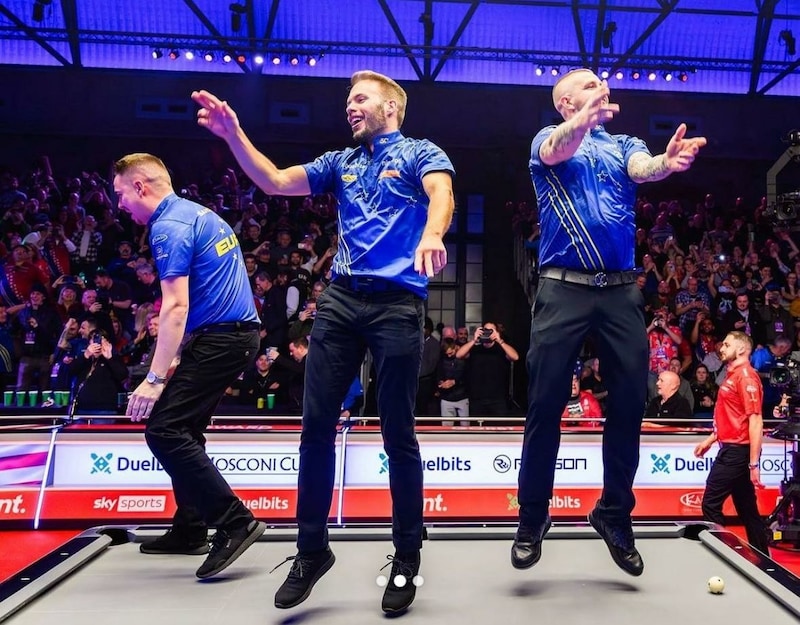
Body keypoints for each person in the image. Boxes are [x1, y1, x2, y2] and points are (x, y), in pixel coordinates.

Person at [192, 70, 454, 614]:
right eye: (348, 100)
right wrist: (233, 134)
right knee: (315, 430)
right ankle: (311, 550)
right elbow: (274, 181)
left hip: (397, 305)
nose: (350, 107)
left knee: (397, 435)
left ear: (392, 109)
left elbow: (441, 192)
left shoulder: (419, 151)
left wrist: (432, 233)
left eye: (360, 99)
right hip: (339, 301)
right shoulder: (342, 162)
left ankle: (406, 557)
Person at [513, 68, 706, 577]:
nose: (601, 85)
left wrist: (669, 161)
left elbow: (644, 168)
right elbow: (556, 148)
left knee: (628, 406)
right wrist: (580, 120)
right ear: (565, 101)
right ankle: (533, 517)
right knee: (546, 405)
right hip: (562, 288)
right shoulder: (548, 140)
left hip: (620, 289)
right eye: (588, 83)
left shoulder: (623, 142)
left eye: (602, 81)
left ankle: (614, 514)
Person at [113, 153, 265, 580]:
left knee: (163, 430)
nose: (121, 205)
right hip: (226, 335)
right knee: (185, 430)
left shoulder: (169, 225)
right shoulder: (198, 214)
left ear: (141, 187)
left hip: (222, 338)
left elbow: (175, 307)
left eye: (121, 194)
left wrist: (154, 379)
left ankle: (236, 522)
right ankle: (189, 528)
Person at [693, 331, 771, 554]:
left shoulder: (746, 376)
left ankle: (723, 554)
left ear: (741, 350)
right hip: (729, 445)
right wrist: (711, 439)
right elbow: (733, 415)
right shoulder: (731, 373)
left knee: (710, 504)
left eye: (727, 345)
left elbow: (755, 421)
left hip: (737, 452)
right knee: (747, 508)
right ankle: (763, 556)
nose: (721, 348)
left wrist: (754, 464)